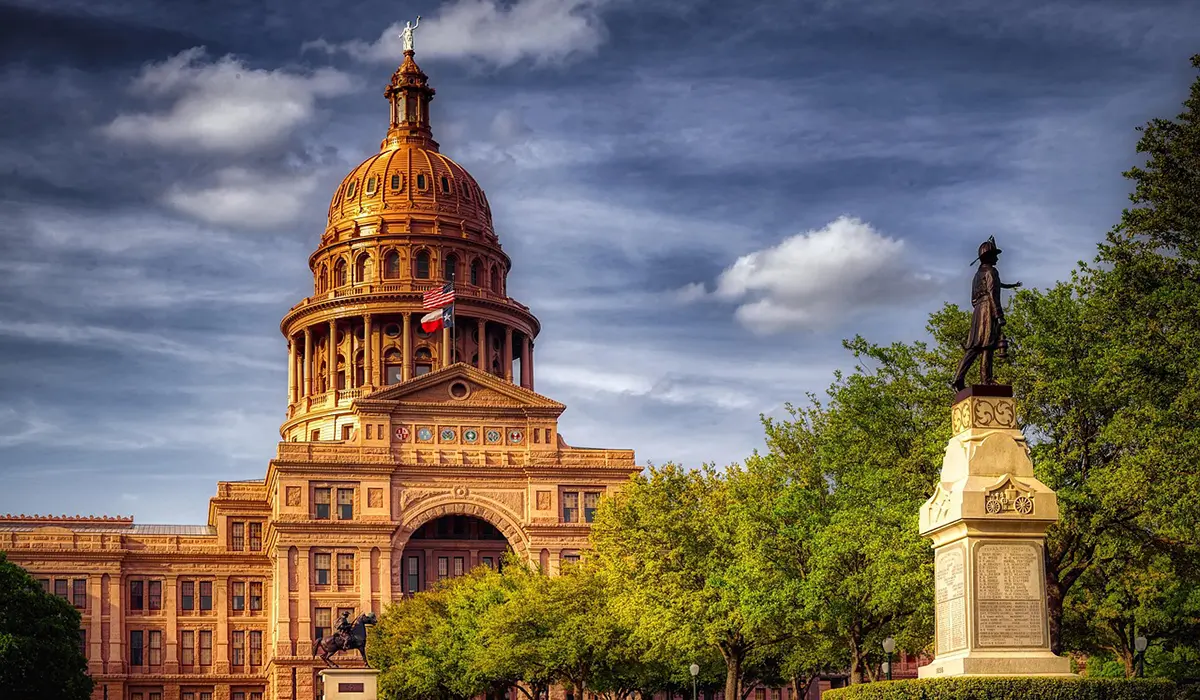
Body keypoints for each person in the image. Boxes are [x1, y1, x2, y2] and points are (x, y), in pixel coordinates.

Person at [951, 237, 1021, 391]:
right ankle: (986, 380)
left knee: (974, 347)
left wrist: (980, 310)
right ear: (988, 256)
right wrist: (999, 315)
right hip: (988, 310)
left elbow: (973, 300)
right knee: (987, 346)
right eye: (995, 255)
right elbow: (993, 293)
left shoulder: (977, 275)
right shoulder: (991, 271)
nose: (997, 258)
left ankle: (958, 378)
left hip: (978, 312)